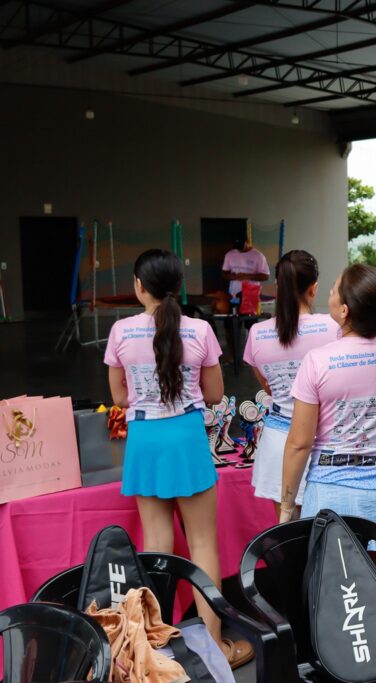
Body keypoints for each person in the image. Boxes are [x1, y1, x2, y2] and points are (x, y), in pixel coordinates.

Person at [104, 249, 253, 669]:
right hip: (187, 438)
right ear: (178, 286)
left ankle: (157, 649)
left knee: (155, 545)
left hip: (145, 439)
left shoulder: (120, 332)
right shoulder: (201, 329)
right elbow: (214, 395)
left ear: (138, 286)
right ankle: (217, 647)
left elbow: (119, 398)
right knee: (204, 542)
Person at [280, 264, 376, 588]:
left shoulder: (319, 361)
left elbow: (299, 443)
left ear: (345, 310)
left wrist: (286, 505)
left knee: (335, 589)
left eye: (334, 289)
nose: (329, 294)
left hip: (332, 491)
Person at [242, 250, 339, 517]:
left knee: (288, 534)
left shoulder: (257, 333)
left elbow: (268, 388)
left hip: (279, 443)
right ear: (314, 288)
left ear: (278, 286)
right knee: (328, 535)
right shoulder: (334, 328)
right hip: (326, 441)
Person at [221, 233, 270, 301]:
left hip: (251, 295)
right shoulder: (229, 255)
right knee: (234, 311)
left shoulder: (258, 256)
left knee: (248, 312)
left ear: (247, 241)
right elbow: (224, 274)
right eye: (237, 246)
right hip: (233, 294)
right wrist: (232, 276)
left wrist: (247, 276)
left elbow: (265, 276)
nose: (239, 249)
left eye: (241, 246)